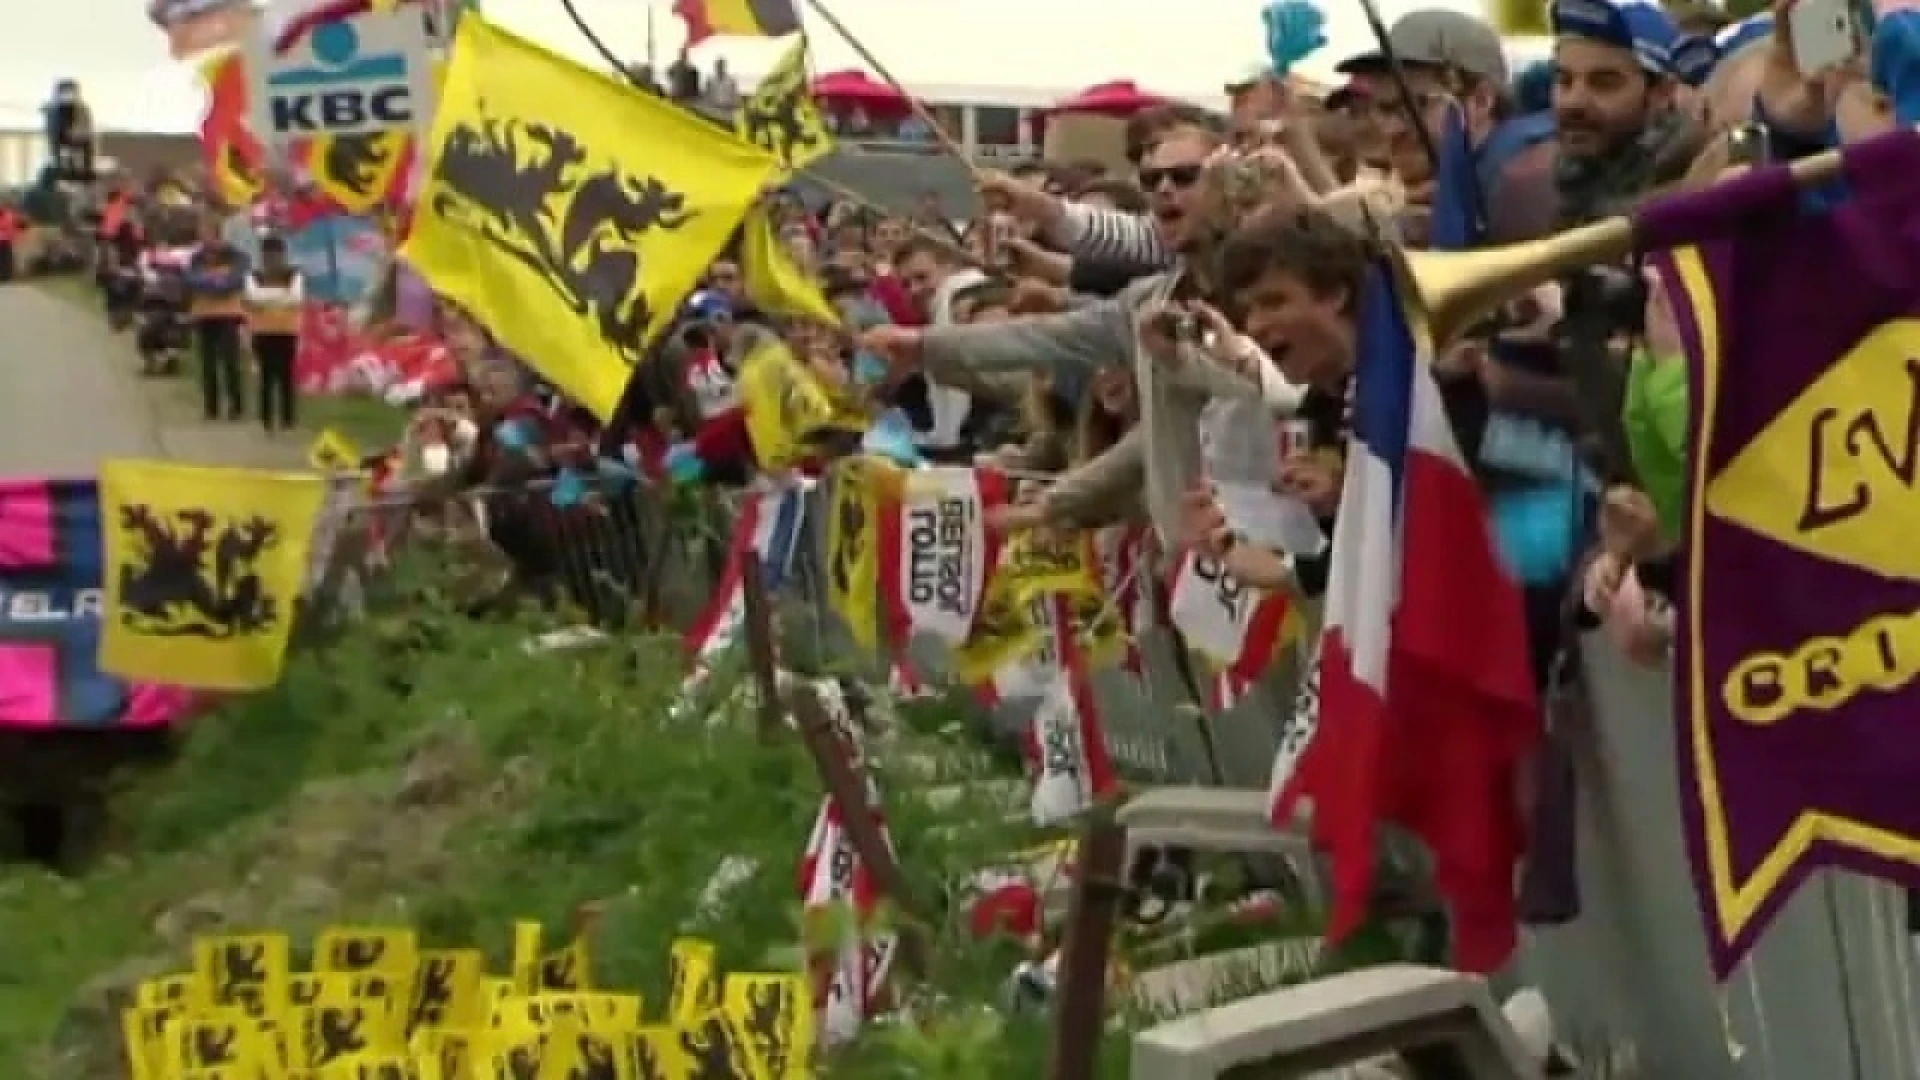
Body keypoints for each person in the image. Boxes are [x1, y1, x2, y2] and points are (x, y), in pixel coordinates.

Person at [185, 218, 249, 422]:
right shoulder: (196, 257)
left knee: (230, 362)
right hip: (204, 314)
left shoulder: (236, 256)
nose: (202, 239)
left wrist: (212, 282)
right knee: (208, 364)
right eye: (200, 234)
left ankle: (236, 406)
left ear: (217, 234)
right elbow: (191, 279)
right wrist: (216, 281)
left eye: (206, 234)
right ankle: (211, 408)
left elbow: (235, 280)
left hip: (228, 314)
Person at [244, 234, 304, 434]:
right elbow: (253, 297)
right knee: (266, 378)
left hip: (287, 331)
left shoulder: (294, 274)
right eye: (268, 255)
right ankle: (266, 419)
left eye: (277, 254)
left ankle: (288, 418)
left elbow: (296, 298)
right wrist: (281, 296)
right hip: (262, 332)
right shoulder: (254, 275)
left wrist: (266, 298)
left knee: (286, 376)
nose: (273, 259)